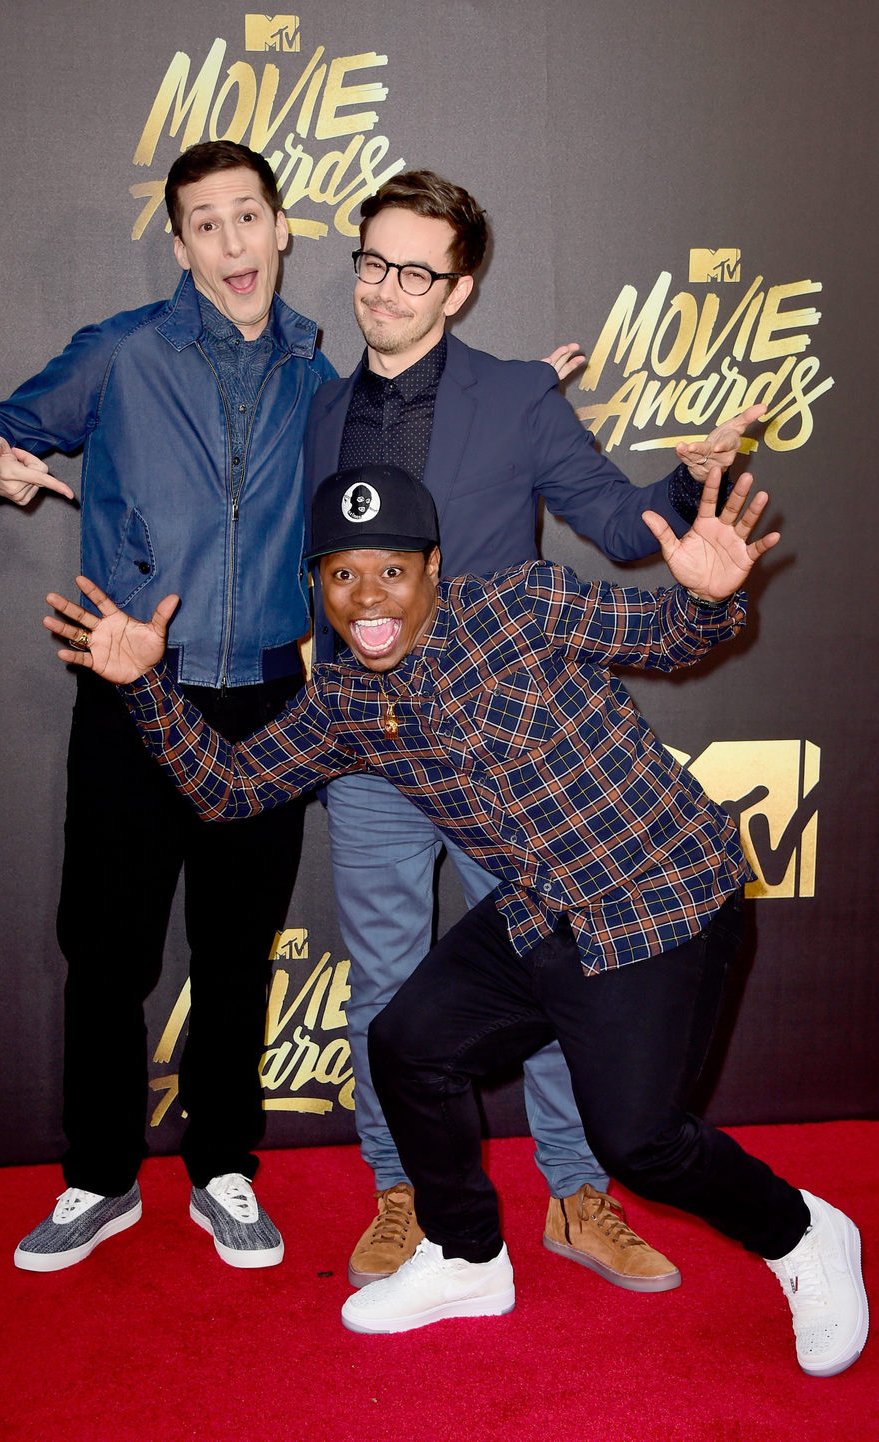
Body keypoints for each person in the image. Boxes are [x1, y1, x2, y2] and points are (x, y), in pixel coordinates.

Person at [41, 464, 868, 1378]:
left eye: (390, 570)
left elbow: (668, 636)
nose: (367, 599)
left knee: (639, 1144)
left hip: (663, 896)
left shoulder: (522, 604)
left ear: (434, 566)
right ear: (317, 585)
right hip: (544, 910)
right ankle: (469, 1258)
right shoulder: (346, 701)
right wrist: (148, 690)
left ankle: (802, 1235)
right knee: (408, 1042)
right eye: (342, 575)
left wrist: (708, 601)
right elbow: (230, 788)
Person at [303, 169, 766, 1287]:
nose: (387, 289)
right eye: (374, 262)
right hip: (370, 748)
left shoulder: (516, 397)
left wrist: (690, 478)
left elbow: (614, 522)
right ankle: (403, 1192)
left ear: (457, 288)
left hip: (505, 756)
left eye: (416, 271)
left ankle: (576, 1192)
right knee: (384, 983)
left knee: (562, 967)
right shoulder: (316, 404)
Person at [0, 140, 336, 1272]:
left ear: (279, 231)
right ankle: (101, 1175)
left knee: (236, 950)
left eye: (247, 218)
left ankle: (222, 1165)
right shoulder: (120, 351)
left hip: (266, 696)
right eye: (204, 224)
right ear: (180, 245)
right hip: (131, 687)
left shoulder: (318, 376)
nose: (230, 243)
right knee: (107, 952)